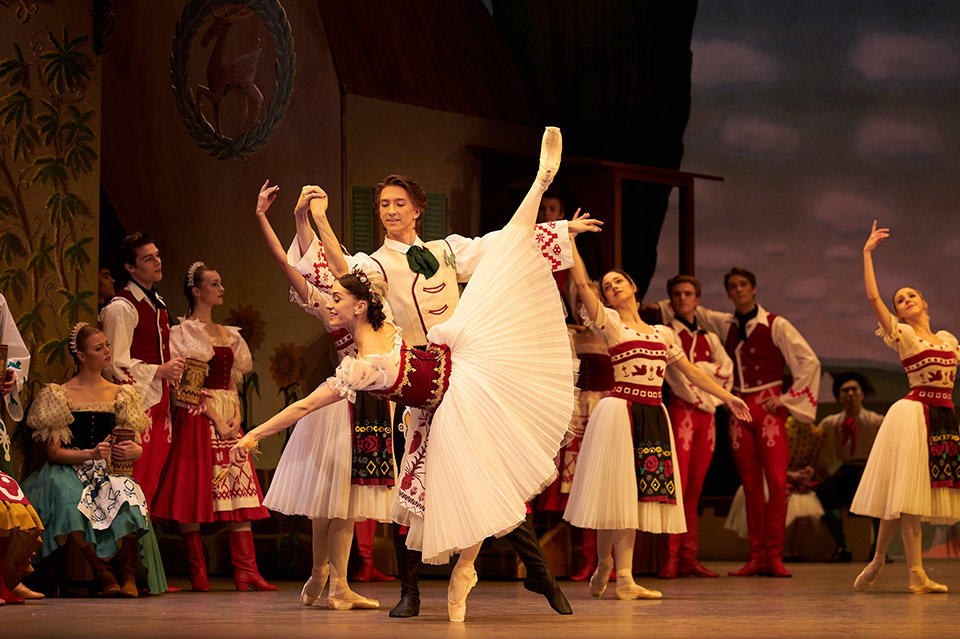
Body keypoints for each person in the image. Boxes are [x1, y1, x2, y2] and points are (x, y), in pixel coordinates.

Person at [234, 127, 574, 622]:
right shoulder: (374, 264)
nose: (390, 211)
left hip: (466, 373)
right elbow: (340, 270)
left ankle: (531, 571)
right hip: (410, 378)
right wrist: (319, 221)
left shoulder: (446, 251)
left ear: (418, 208)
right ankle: (411, 589)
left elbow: (504, 246)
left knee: (488, 475)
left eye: (398, 203)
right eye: (383, 205)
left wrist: (550, 205)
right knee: (413, 484)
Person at [563, 247, 751, 601]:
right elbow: (581, 283)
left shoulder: (663, 333)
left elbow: (691, 371)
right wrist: (570, 241)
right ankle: (605, 564)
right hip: (621, 411)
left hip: (652, 412)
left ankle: (626, 577)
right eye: (607, 286)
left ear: (633, 287)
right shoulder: (610, 323)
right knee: (615, 496)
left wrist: (728, 397)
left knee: (635, 498)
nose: (613, 287)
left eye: (619, 281)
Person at [261, 194, 395, 610]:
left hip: (364, 400)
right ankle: (327, 575)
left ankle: (333, 578)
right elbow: (293, 264)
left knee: (343, 500)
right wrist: (296, 217)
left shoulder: (375, 313)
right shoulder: (332, 306)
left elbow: (324, 262)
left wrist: (310, 217)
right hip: (339, 403)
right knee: (336, 497)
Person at [658, 267, 821, 577]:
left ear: (754, 288)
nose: (738, 290)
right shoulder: (724, 322)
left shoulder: (776, 324)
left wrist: (787, 398)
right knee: (750, 487)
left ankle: (774, 556)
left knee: (775, 482)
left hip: (768, 407)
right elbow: (686, 307)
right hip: (739, 409)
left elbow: (809, 361)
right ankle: (757, 556)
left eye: (743, 285)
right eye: (732, 286)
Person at [849, 221, 960, 594]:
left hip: (944, 416)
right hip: (914, 415)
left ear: (925, 302)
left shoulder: (947, 339)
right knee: (909, 497)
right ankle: (916, 573)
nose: (906, 301)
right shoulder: (905, 336)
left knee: (907, 497)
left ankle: (879, 559)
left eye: (912, 295)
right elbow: (872, 300)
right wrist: (866, 254)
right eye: (900, 300)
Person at [151, 262, 275, 592]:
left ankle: (246, 570)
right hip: (198, 417)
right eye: (214, 284)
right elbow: (185, 389)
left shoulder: (228, 334)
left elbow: (233, 382)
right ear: (196, 291)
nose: (221, 289)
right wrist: (217, 419)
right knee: (195, 488)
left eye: (221, 283)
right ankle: (198, 572)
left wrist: (235, 415)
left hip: (226, 415)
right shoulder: (184, 334)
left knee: (238, 487)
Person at [21, 323, 165, 597]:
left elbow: (133, 444)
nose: (107, 352)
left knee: (129, 496)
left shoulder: (120, 393)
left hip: (106, 469)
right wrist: (89, 454)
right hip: (67, 467)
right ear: (82, 356)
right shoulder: (60, 394)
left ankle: (129, 576)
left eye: (107, 346)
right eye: (99, 348)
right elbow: (53, 452)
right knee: (70, 500)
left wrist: (133, 452)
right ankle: (103, 573)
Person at [100, 233, 185, 506]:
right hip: (137, 407)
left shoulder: (155, 302)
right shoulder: (121, 307)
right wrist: (159, 371)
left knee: (150, 483)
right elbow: (113, 365)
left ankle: (142, 543)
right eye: (148, 259)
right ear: (130, 267)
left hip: (159, 405)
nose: (157, 262)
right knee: (133, 485)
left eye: (157, 255)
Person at [659, 274, 733, 578]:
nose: (682, 298)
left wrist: (704, 381)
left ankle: (689, 556)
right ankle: (671, 556)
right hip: (682, 412)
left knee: (696, 488)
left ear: (697, 299)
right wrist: (701, 392)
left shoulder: (709, 337)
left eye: (688, 293)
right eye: (676, 294)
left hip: (706, 417)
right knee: (678, 485)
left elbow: (726, 372)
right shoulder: (667, 334)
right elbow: (675, 377)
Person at [816, 372, 883, 562]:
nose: (851, 394)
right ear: (839, 397)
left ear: (862, 394)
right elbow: (823, 455)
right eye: (845, 390)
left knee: (883, 496)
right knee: (823, 493)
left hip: (869, 470)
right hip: (844, 469)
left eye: (855, 389)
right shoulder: (829, 423)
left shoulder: (876, 421)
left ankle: (877, 548)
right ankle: (842, 546)